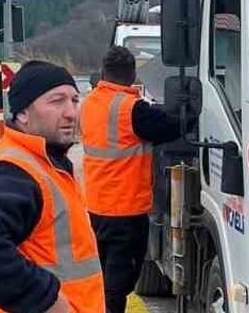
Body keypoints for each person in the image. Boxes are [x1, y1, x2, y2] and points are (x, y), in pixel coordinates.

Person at [0, 60, 105, 313]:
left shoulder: (46, 163)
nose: (70, 112)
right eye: (57, 101)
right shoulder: (13, 171)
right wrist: (46, 301)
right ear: (23, 113)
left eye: (74, 100)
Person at [80, 46, 184, 313]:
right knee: (118, 283)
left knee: (101, 277)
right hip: (126, 210)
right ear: (132, 75)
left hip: (94, 206)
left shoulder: (89, 103)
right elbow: (171, 128)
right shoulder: (132, 109)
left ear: (103, 72)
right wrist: (181, 109)